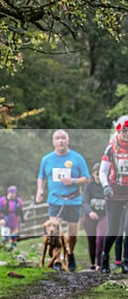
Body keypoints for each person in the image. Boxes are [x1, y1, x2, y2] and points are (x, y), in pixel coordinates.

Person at [36, 129, 90, 271]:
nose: (60, 140)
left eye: (63, 138)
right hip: (55, 200)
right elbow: (41, 177)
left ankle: (70, 253)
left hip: (73, 200)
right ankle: (58, 261)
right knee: (54, 232)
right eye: (57, 138)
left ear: (68, 140)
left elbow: (87, 179)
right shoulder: (46, 159)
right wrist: (40, 191)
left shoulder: (77, 158)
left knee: (72, 234)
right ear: (53, 142)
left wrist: (72, 181)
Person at [98, 116, 128, 273]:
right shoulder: (111, 148)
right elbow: (102, 172)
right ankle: (104, 258)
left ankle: (126, 261)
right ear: (118, 131)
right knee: (113, 229)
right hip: (114, 192)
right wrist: (106, 186)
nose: (127, 134)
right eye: (124, 131)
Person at [81, 163, 107, 271]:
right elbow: (85, 201)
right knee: (91, 239)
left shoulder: (107, 186)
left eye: (100, 174)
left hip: (104, 215)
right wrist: (90, 212)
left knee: (100, 238)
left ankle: (99, 263)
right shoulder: (89, 186)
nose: (98, 176)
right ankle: (92, 262)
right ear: (93, 174)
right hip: (90, 215)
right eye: (97, 174)